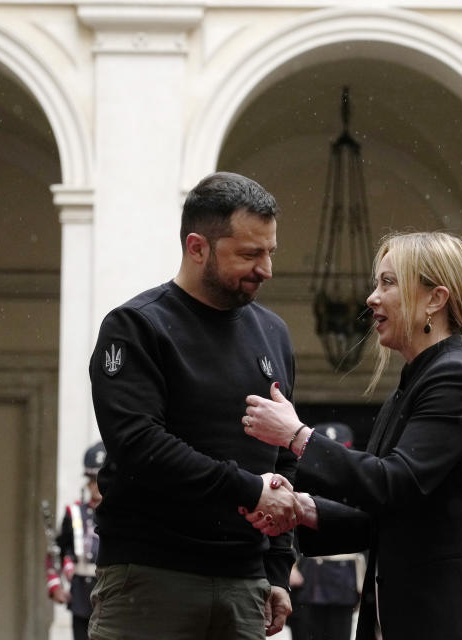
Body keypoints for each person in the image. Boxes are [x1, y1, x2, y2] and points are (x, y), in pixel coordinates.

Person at [240, 231, 462, 639]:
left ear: (435, 299)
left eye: (388, 282)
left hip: (459, 620)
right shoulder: (416, 383)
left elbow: (393, 483)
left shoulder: (454, 377)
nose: (371, 297)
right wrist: (304, 508)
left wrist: (297, 436)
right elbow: (389, 516)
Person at [87, 172, 301, 640]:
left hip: (246, 584)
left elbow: (283, 461)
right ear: (196, 246)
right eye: (249, 254)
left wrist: (278, 570)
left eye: (270, 252)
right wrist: (248, 489)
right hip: (150, 578)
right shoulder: (137, 327)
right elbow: (141, 448)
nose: (266, 269)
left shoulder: (274, 334)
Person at [287, 423, 362, 640]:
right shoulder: (300, 477)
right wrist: (288, 564)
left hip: (344, 577)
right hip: (307, 573)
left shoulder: (357, 481)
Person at [46, 442, 104, 640]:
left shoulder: (120, 515)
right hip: (81, 594)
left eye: (100, 479)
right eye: (91, 479)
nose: (95, 485)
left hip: (109, 594)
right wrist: (55, 586)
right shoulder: (75, 514)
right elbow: (56, 550)